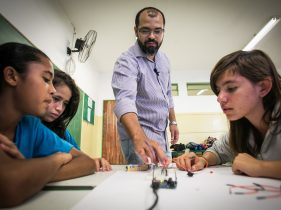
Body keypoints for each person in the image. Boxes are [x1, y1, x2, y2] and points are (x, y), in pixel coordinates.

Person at [175, 50, 281, 183]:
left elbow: (257, 167)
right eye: (218, 91)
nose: (220, 98)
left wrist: (260, 167)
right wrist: (202, 160)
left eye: (231, 88)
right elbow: (218, 151)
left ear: (263, 87)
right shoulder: (243, 127)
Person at [0, 42, 95, 207]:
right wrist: (57, 159)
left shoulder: (32, 126)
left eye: (64, 103)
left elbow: (87, 162)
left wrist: (31, 172)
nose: (51, 91)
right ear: (11, 76)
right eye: (45, 79)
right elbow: (9, 186)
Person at [111, 7, 179, 165]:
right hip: (140, 136)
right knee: (145, 186)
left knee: (165, 182)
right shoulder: (126, 61)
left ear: (163, 31)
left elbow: (167, 94)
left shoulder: (165, 60)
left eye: (157, 31)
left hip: (162, 135)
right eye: (145, 30)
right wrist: (138, 137)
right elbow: (124, 100)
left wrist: (173, 122)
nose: (152, 36)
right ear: (135, 31)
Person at [42, 69, 111, 172]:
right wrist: (59, 160)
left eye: (65, 104)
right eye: (56, 98)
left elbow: (82, 159)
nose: (60, 108)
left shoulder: (62, 132)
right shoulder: (28, 126)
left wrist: (93, 161)